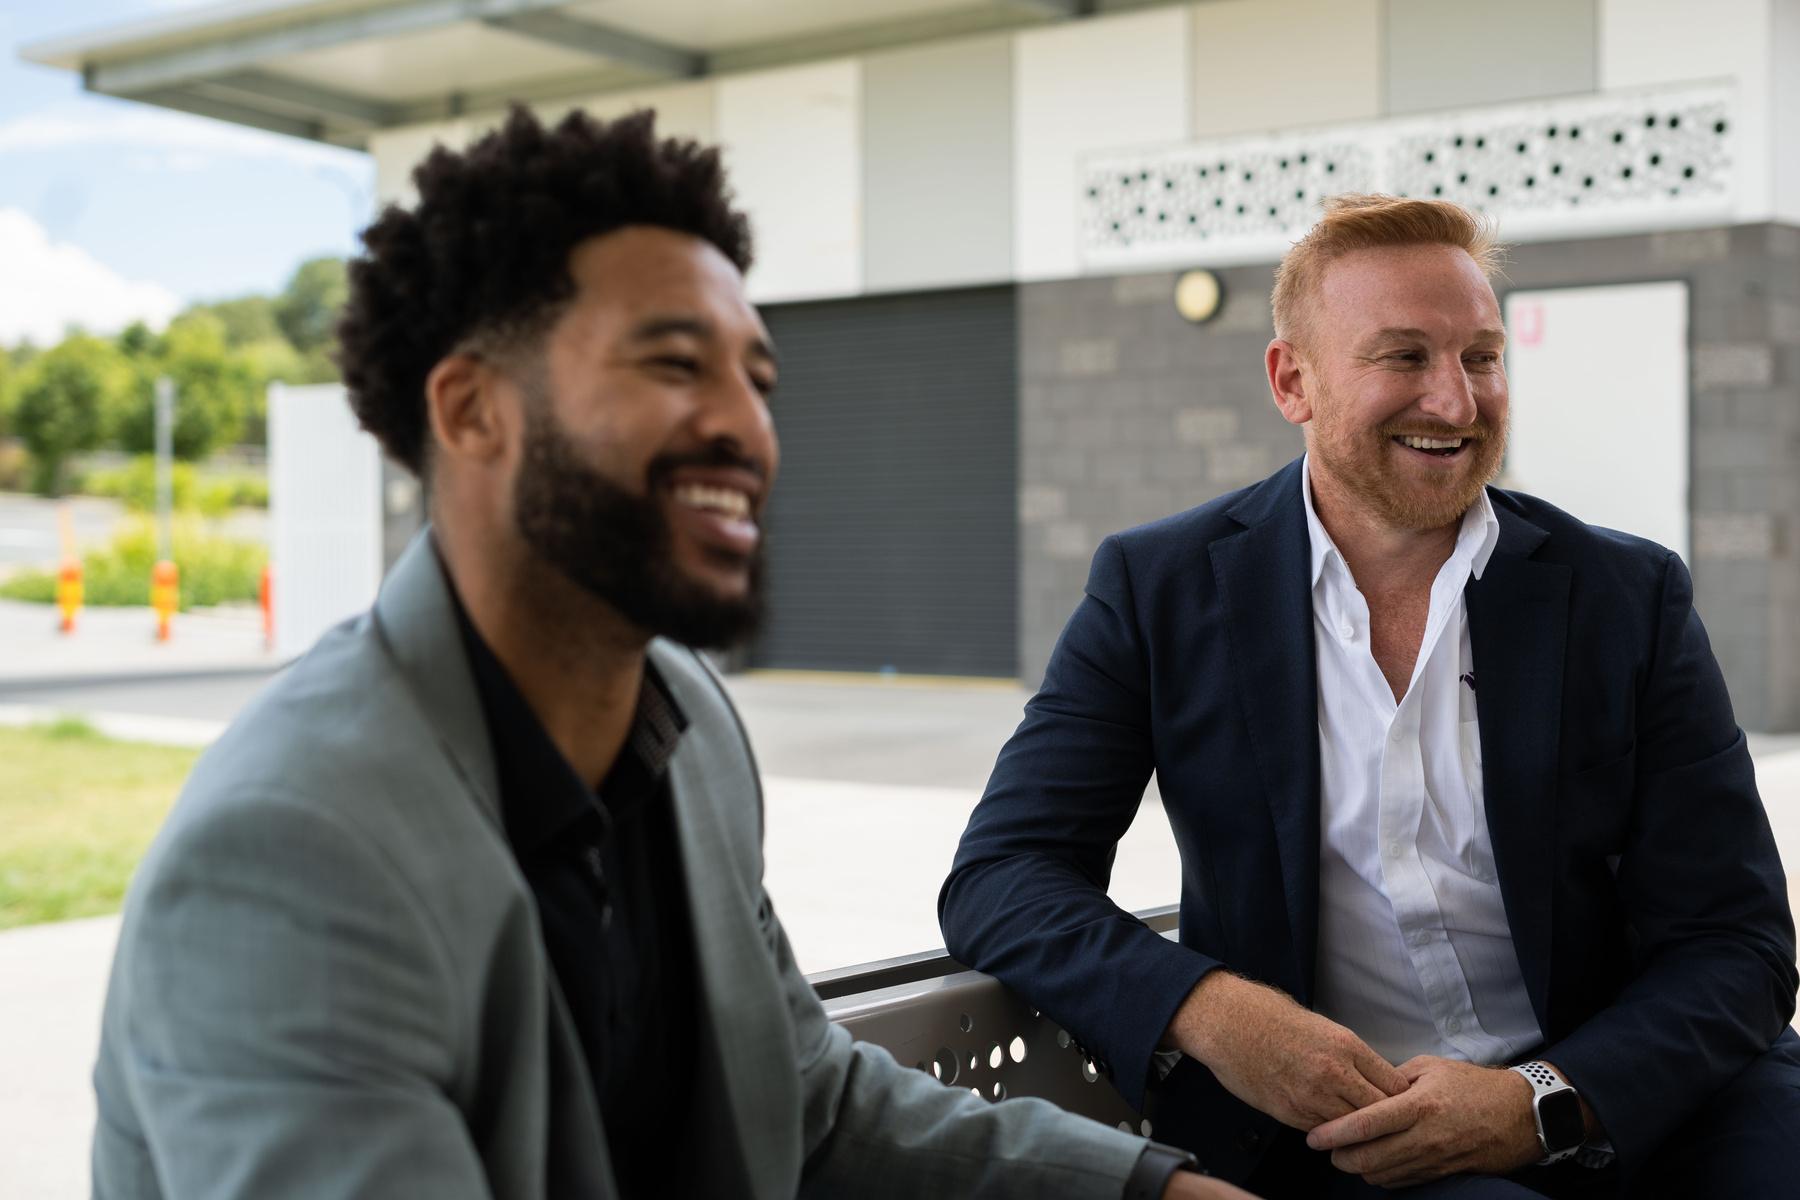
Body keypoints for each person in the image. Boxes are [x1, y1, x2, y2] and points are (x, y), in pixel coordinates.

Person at [88, 108, 1253, 1200]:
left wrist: (1151, 1190)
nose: (748, 427)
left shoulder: (685, 725)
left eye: (758, 378)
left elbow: (804, 1096)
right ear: (471, 410)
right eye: (673, 364)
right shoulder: (292, 852)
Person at [939, 194, 1799, 1198]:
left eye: (1482, 357)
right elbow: (1003, 874)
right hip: (1360, 1139)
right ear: (1291, 380)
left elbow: (1737, 943)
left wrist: (1539, 1102)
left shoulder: (1627, 596)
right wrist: (1216, 1011)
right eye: (1404, 357)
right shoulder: (1158, 590)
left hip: (1639, 1092)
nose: (1457, 402)